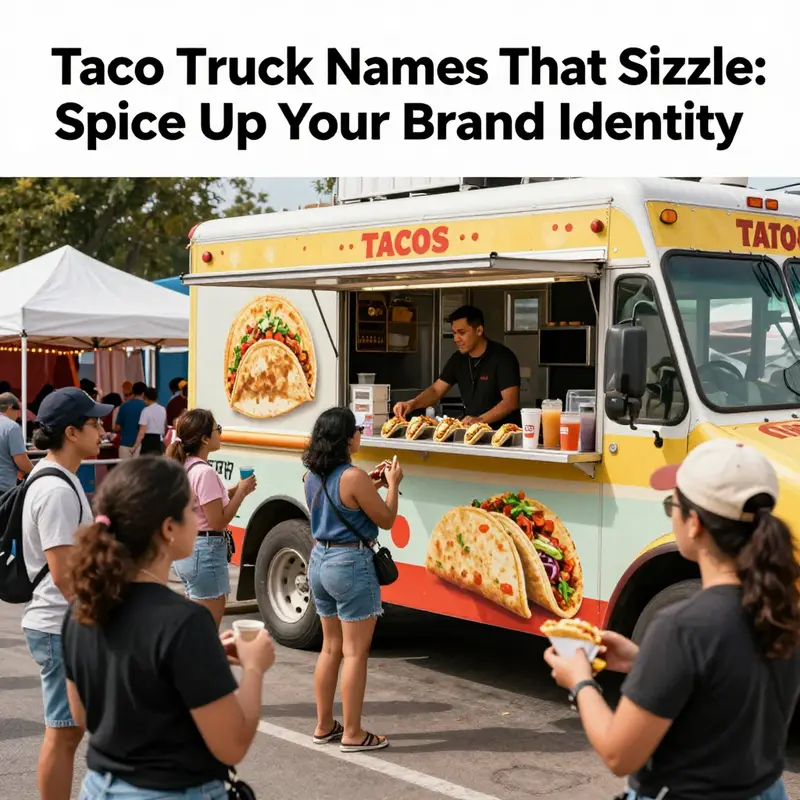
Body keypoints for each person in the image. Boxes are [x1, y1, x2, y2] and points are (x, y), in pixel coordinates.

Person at [544, 439, 800, 800]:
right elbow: (728, 683)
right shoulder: (782, 607)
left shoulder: (682, 626)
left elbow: (619, 754)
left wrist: (579, 682)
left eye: (672, 505)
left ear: (694, 523)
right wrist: (643, 661)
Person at [63, 456, 276, 799]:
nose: (197, 518)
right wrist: (254, 667)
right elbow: (232, 745)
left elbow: (85, 714)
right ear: (168, 529)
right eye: (191, 510)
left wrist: (194, 661)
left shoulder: (81, 608)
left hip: (99, 787)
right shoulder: (184, 622)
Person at [22, 387, 112, 800]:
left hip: (62, 623)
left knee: (69, 731)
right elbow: (63, 575)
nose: (103, 431)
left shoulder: (61, 477)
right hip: (59, 623)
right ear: (72, 432)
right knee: (63, 734)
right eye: (95, 424)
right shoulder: (56, 488)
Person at [302, 407, 403, 752]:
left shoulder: (311, 476)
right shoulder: (353, 476)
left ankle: (324, 725)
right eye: (357, 429)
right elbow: (386, 518)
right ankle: (354, 733)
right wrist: (392, 485)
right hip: (350, 563)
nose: (361, 433)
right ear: (346, 438)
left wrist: (371, 483)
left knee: (330, 648)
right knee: (355, 652)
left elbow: (341, 501)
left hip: (319, 561)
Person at [167, 409, 257, 628]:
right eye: (218, 430)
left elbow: (206, 502)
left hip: (189, 550)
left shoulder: (185, 466)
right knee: (206, 631)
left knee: (195, 626)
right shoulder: (204, 472)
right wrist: (243, 493)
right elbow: (217, 520)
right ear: (205, 439)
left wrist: (236, 489)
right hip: (205, 552)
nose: (220, 434)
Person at [393, 305, 521, 428]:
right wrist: (412, 403)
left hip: (504, 434)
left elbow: (510, 402)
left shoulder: (503, 357)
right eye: (454, 333)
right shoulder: (458, 359)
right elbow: (436, 391)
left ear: (479, 330)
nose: (456, 338)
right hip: (472, 434)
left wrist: (480, 420)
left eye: (461, 332)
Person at [0, 392, 33, 491]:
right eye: (18, 410)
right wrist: (34, 470)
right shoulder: (11, 427)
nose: (18, 415)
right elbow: (21, 460)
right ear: (10, 407)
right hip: (3, 488)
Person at [114, 381, 146, 459]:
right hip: (140, 444)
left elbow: (117, 427)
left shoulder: (123, 406)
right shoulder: (146, 407)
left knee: (125, 470)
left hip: (124, 444)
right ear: (144, 393)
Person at [133, 387, 167, 456]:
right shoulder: (163, 409)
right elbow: (165, 426)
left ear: (145, 398)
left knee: (146, 464)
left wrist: (134, 447)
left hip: (148, 441)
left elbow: (141, 432)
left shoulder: (146, 411)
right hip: (159, 441)